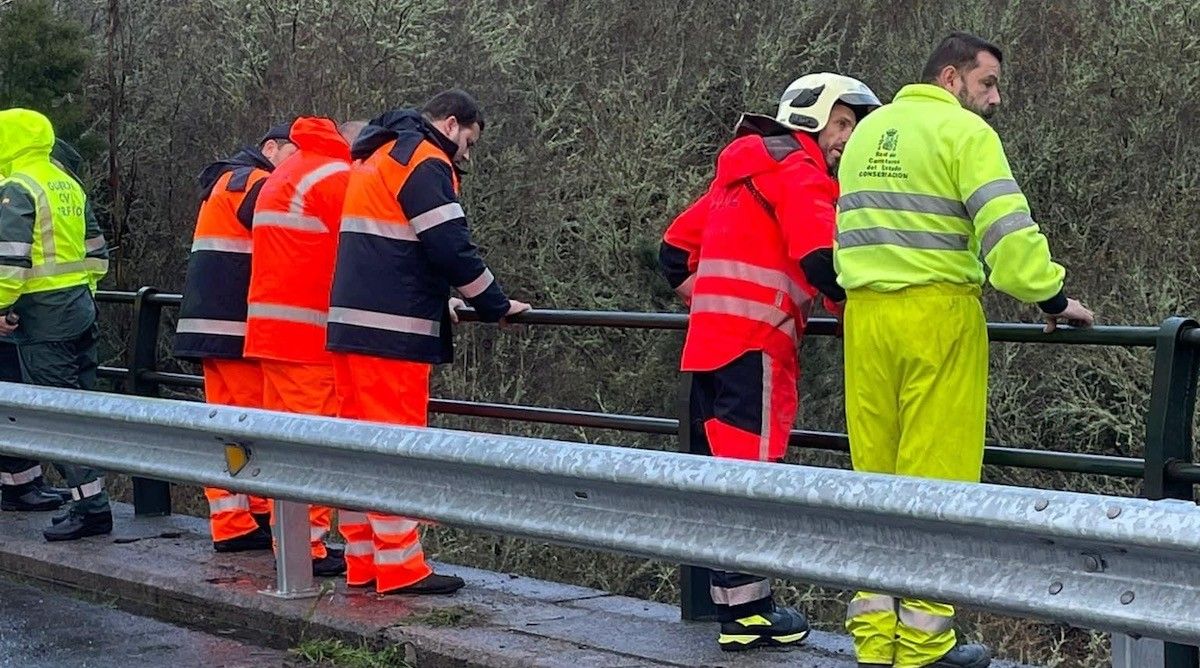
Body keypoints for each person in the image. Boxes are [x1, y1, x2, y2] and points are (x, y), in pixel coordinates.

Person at [834, 32, 1094, 668]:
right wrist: (1055, 299)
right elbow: (1008, 237)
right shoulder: (965, 135)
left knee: (875, 480)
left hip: (865, 320)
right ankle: (923, 645)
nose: (995, 99)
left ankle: (874, 642)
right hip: (937, 315)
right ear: (951, 79)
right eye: (988, 84)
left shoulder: (867, 133)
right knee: (937, 481)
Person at [659, 73, 881, 651]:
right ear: (813, 120)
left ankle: (736, 606)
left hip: (709, 346)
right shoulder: (800, 171)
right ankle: (749, 615)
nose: (845, 139)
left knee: (724, 475)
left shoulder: (738, 174)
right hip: (756, 347)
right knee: (753, 475)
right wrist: (863, 305)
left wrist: (713, 303)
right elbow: (819, 260)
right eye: (842, 124)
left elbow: (672, 253)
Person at [325, 89, 530, 596]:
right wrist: (495, 304)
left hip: (354, 325)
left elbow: (395, 250)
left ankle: (364, 561)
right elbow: (449, 246)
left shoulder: (380, 154)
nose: (467, 155)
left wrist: (445, 304)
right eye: (470, 143)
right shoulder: (424, 159)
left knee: (359, 447)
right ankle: (400, 567)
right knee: (397, 444)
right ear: (453, 123)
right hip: (393, 333)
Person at [244, 116, 364, 576]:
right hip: (308, 338)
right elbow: (360, 247)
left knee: (284, 447)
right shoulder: (334, 176)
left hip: (271, 334)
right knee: (312, 444)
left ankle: (291, 544)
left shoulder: (290, 171)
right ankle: (306, 549)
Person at [173, 123, 297, 552]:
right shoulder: (257, 182)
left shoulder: (227, 180)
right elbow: (286, 235)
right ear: (270, 149)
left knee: (227, 424)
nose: (297, 167)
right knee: (251, 424)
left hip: (210, 328)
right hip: (239, 329)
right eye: (293, 154)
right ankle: (247, 519)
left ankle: (235, 519)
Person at [0, 108, 110, 541]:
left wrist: (2, 306)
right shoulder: (65, 181)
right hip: (78, 307)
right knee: (82, 408)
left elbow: (8, 257)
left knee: (59, 417)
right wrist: (84, 292)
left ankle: (93, 509)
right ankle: (90, 501)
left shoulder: (17, 186)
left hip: (43, 316)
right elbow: (97, 248)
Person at [0, 137, 88, 514]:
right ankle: (21, 485)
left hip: (30, 309)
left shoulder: (20, 185)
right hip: (37, 308)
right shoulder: (23, 185)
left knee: (15, 394)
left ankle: (22, 485)